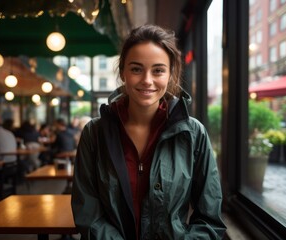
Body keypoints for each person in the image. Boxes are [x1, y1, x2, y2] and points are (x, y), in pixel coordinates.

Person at [71, 24, 226, 239]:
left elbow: (210, 220)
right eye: (136, 69)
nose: (147, 80)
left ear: (170, 74)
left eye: (158, 70)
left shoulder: (193, 133)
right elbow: (88, 214)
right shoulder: (94, 133)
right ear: (123, 72)